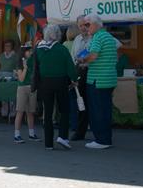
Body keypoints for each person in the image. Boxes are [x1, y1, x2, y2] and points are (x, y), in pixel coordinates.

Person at [78, 14, 118, 149]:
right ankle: (105, 138)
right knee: (105, 110)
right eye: (84, 25)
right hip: (109, 79)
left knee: (98, 111)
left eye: (88, 24)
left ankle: (102, 140)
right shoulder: (108, 37)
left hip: (98, 80)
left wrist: (82, 60)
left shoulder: (98, 37)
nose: (85, 27)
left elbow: (93, 56)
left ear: (96, 25)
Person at [34, 24, 77, 150]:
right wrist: (74, 79)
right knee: (64, 110)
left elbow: (36, 67)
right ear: (58, 35)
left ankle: (48, 143)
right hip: (61, 82)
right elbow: (70, 67)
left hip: (44, 83)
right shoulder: (62, 49)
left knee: (47, 113)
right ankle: (63, 137)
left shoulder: (39, 48)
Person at [13, 42, 41, 143]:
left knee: (31, 112)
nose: (30, 52)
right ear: (24, 52)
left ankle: (31, 134)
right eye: (28, 51)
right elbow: (21, 79)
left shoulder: (33, 60)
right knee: (20, 111)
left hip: (32, 88)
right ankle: (17, 134)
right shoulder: (20, 63)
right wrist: (24, 68)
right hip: (22, 88)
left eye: (31, 50)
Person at [70, 15, 91, 141]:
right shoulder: (77, 39)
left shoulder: (94, 37)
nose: (83, 27)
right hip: (79, 72)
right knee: (80, 102)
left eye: (85, 25)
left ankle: (96, 131)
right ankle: (80, 132)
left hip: (91, 71)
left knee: (92, 102)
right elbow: (73, 57)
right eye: (80, 25)